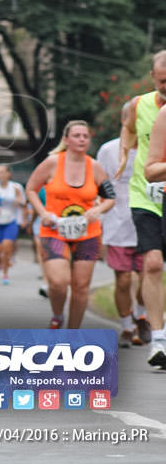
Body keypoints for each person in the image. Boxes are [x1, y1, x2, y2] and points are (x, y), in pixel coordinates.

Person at [26, 121, 114, 330]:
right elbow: (30, 189)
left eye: (85, 136)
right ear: (66, 139)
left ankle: (73, 333)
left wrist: (97, 210)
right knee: (58, 281)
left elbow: (110, 198)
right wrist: (43, 212)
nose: (82, 139)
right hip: (54, 230)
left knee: (81, 287)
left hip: (88, 234)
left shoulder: (94, 166)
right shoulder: (52, 163)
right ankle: (57, 315)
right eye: (77, 135)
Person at [123, 51, 166, 365]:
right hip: (145, 194)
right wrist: (125, 152)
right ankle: (158, 339)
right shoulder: (141, 105)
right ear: (153, 77)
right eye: (162, 81)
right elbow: (128, 128)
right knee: (152, 264)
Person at [96, 106, 150, 348]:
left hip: (148, 223)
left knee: (149, 276)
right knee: (124, 280)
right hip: (118, 225)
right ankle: (127, 326)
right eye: (132, 117)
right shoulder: (108, 150)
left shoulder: (153, 145)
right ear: (123, 119)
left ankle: (141, 315)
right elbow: (99, 187)